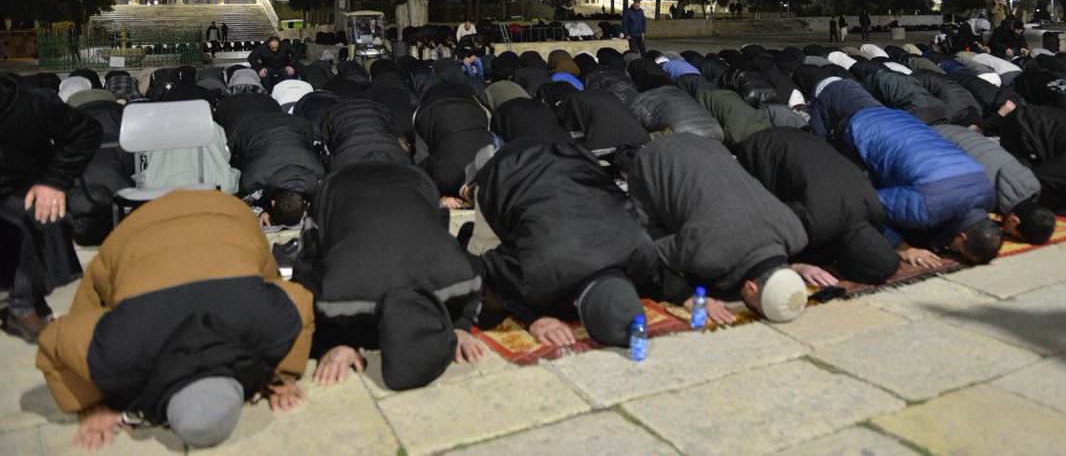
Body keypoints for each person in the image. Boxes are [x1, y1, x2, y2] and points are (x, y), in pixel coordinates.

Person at [36, 190, 313, 450]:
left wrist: (281, 373)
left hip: (221, 213)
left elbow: (300, 301)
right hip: (145, 230)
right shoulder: (119, 355)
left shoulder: (266, 323)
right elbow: (54, 341)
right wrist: (90, 402)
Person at [294, 164, 487, 389]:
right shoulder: (338, 298)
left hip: (412, 179)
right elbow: (304, 272)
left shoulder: (459, 278)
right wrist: (333, 343)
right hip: (341, 186)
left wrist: (333, 344)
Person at [463, 140, 658, 346]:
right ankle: (472, 192)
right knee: (475, 282)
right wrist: (533, 318)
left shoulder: (644, 251)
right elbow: (486, 270)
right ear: (576, 305)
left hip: (571, 154)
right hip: (504, 169)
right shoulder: (538, 272)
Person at [626, 134, 810, 324]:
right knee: (649, 244)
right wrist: (687, 296)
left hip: (708, 145)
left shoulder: (796, 233)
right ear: (751, 288)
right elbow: (649, 253)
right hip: (654, 159)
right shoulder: (708, 251)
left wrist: (793, 267)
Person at [833, 94, 1003, 266]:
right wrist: (902, 247)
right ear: (962, 236)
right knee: (855, 194)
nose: (953, 251)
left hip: (901, 118)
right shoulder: (926, 209)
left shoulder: (987, 192)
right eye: (958, 251)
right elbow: (869, 204)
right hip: (860, 129)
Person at [0, 73, 102, 341]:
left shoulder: (30, 102)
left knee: (37, 214)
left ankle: (23, 306)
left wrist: (54, 182)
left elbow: (87, 131)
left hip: (25, 190)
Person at [736, 128, 900, 284]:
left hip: (800, 138)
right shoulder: (818, 223)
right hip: (763, 148)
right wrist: (796, 266)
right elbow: (769, 227)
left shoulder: (875, 211)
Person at [935, 123, 1057, 244]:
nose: (1007, 233)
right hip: (932, 140)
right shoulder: (984, 195)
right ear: (1014, 220)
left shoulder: (1030, 181)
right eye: (1013, 235)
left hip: (956, 130)